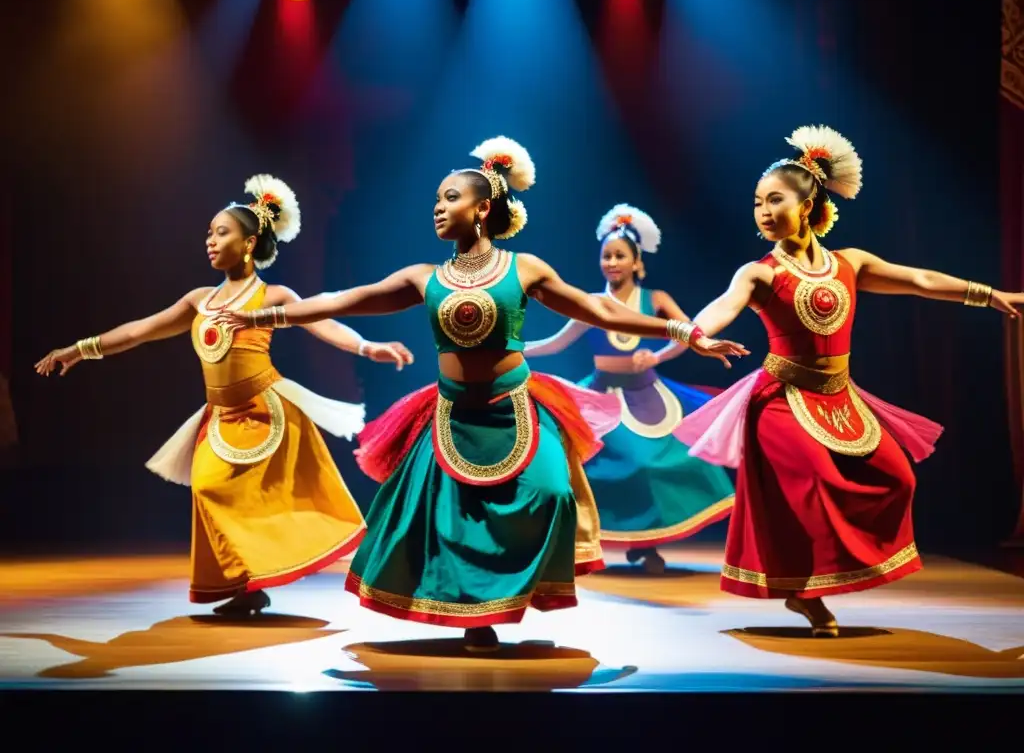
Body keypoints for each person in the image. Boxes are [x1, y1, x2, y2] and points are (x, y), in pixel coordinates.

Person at [213, 137, 746, 651]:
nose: (438, 209)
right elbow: (345, 300)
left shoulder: (524, 268)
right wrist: (265, 315)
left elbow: (601, 309)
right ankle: (478, 618)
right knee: (445, 519)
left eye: (451, 198)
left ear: (484, 207)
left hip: (515, 407)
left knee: (553, 494)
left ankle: (514, 593)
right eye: (436, 201)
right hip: (451, 412)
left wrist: (685, 334)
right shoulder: (425, 277)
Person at [673, 125, 1022, 635]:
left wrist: (988, 294)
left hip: (839, 396)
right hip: (780, 398)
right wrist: (696, 334)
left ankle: (828, 578)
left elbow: (920, 280)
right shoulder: (760, 272)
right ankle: (808, 595)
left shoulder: (850, 264)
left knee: (899, 476)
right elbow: (724, 304)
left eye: (775, 200)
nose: (764, 212)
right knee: (814, 479)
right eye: (757, 204)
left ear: (809, 204)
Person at [35, 174, 414, 615]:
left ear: (250, 242)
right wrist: (79, 350)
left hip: (266, 412)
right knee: (207, 487)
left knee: (241, 494)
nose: (210, 242)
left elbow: (323, 320)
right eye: (208, 234)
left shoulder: (273, 295)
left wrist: (367, 347)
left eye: (221, 232)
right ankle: (247, 587)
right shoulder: (200, 300)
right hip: (220, 416)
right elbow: (140, 331)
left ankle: (255, 581)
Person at [523, 204, 734, 573]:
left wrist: (657, 358)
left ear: (637, 262)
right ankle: (582, 543)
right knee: (589, 464)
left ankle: (646, 545)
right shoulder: (591, 304)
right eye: (606, 256)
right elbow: (557, 342)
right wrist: (515, 348)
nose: (612, 262)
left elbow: (689, 335)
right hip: (602, 396)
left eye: (620, 256)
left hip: (648, 395)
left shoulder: (657, 300)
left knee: (656, 462)